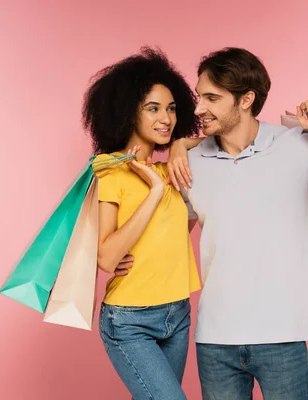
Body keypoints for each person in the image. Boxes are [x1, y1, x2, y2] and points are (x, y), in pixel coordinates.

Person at [166, 47, 308, 400]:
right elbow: (171, 242)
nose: (197, 109)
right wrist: (179, 146)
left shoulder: (295, 146)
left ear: (246, 99)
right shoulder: (191, 162)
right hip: (214, 339)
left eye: (211, 98)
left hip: (282, 336)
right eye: (198, 97)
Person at [81, 47, 202, 400]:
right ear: (127, 112)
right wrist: (153, 192)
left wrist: (180, 145)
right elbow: (106, 258)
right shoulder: (110, 169)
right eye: (153, 108)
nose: (165, 118)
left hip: (178, 313)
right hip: (129, 320)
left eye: (171, 108)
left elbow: (223, 141)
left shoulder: (172, 170)